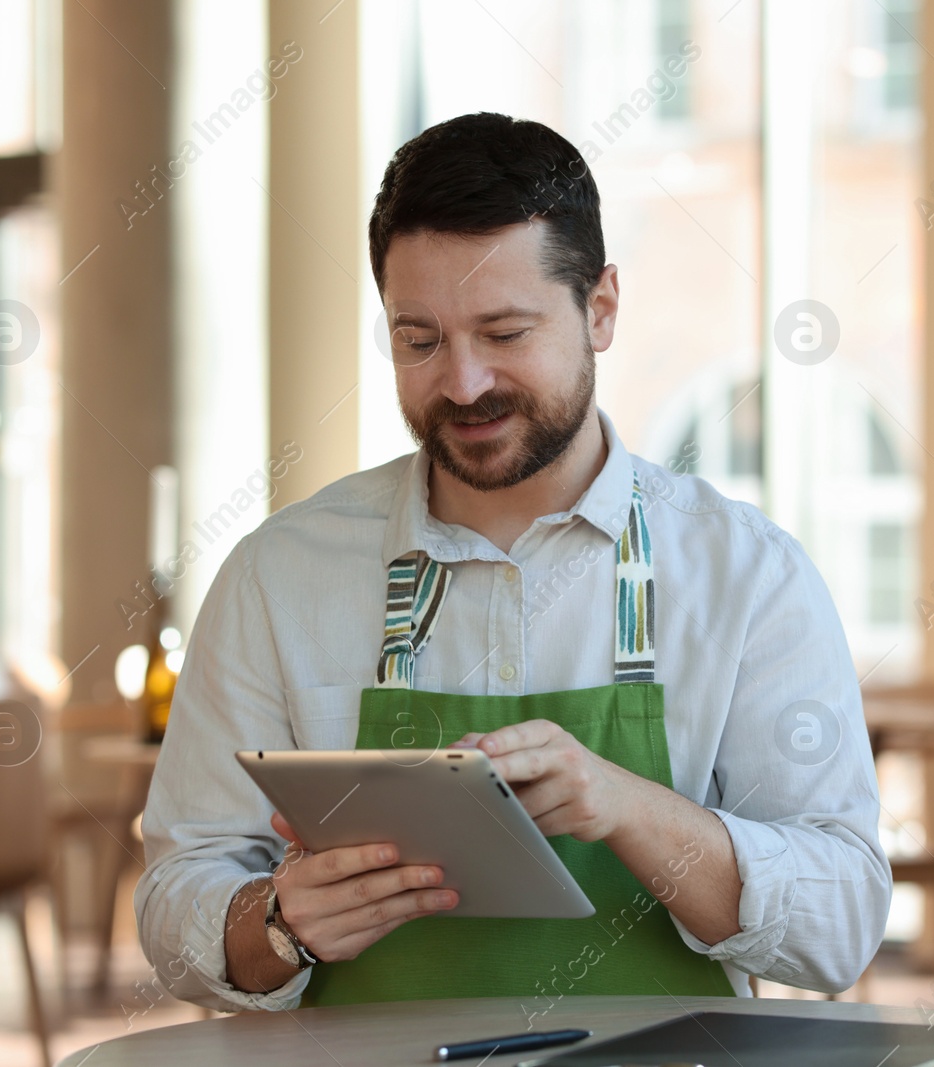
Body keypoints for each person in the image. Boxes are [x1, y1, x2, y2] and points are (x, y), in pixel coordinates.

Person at [137, 111, 891, 1012]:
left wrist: (629, 808)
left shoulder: (748, 575)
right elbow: (177, 902)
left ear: (600, 309)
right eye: (419, 340)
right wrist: (274, 922)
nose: (462, 382)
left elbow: (841, 923)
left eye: (503, 333)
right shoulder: (278, 576)